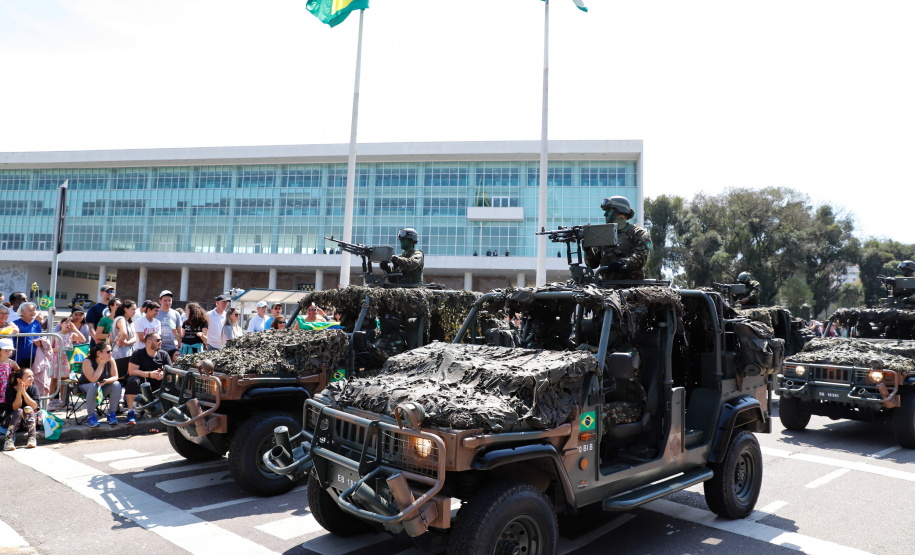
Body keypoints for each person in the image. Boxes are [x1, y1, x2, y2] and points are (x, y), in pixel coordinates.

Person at [584, 196, 652, 280]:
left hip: (631, 286)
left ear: (619, 212)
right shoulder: (603, 234)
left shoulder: (638, 233)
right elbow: (592, 264)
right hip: (606, 286)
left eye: (608, 211)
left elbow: (641, 257)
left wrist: (622, 263)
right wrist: (587, 250)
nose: (605, 214)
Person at [125, 333, 168, 426]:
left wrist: (163, 374)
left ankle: (169, 409)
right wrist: (149, 374)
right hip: (143, 382)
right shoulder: (138, 353)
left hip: (159, 382)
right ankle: (131, 412)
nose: (160, 342)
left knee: (171, 380)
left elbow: (170, 371)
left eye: (161, 340)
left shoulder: (163, 354)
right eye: (158, 340)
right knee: (132, 381)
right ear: (149, 342)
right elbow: (132, 371)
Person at [79, 342, 122, 427]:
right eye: (108, 351)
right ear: (99, 353)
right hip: (86, 387)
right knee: (93, 385)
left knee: (116, 384)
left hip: (102, 386)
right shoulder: (87, 361)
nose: (111, 353)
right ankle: (91, 416)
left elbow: (115, 377)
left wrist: (106, 381)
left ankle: (112, 414)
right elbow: (93, 379)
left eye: (111, 351)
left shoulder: (111, 360)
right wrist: (102, 364)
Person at [47, 316, 86, 410]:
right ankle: (51, 401)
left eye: (70, 323)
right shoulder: (55, 335)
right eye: (66, 323)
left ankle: (63, 401)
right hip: (56, 359)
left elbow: (83, 339)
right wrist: (57, 349)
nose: (68, 325)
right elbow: (49, 348)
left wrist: (75, 329)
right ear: (60, 324)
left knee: (64, 380)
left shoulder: (71, 335)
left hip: (66, 359)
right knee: (54, 380)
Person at [3, 368, 38, 450]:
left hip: (26, 422)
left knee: (28, 408)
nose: (32, 378)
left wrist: (24, 393)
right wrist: (19, 392)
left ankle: (32, 439)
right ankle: (8, 441)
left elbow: (34, 406)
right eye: (29, 377)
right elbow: (15, 407)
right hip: (10, 422)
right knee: (19, 411)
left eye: (32, 376)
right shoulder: (10, 390)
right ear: (19, 380)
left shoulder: (33, 389)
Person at [110, 300, 139, 385]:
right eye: (133, 309)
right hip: (120, 354)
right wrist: (121, 342)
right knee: (119, 377)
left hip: (129, 353)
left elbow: (135, 337)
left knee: (127, 378)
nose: (135, 311)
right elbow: (124, 332)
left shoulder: (130, 321)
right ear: (125, 309)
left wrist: (126, 343)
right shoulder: (120, 318)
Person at [154, 291, 183, 359]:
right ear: (160, 301)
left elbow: (179, 332)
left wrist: (179, 347)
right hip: (158, 348)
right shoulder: (155, 313)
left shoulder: (176, 314)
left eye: (169, 300)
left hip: (171, 348)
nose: (167, 303)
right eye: (165, 300)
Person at [12, 303, 42, 369]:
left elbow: (41, 336)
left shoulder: (36, 324)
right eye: (30, 310)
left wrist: (40, 341)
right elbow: (25, 331)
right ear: (22, 312)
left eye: (34, 310)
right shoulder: (16, 323)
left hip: (35, 357)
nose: (33, 312)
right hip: (20, 357)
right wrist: (36, 322)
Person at [0, 338, 20, 409]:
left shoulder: (12, 362)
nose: (8, 352)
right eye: (5, 350)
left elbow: (19, 371)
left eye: (10, 350)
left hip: (6, 386)